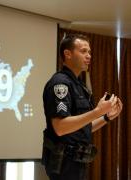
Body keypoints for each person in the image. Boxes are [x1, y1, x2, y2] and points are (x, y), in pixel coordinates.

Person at [41, 34, 123, 180]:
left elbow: (83, 127)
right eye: (83, 51)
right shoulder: (60, 83)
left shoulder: (79, 85)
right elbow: (60, 127)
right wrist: (97, 111)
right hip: (63, 164)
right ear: (68, 54)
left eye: (90, 52)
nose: (89, 56)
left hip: (78, 162)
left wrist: (106, 117)